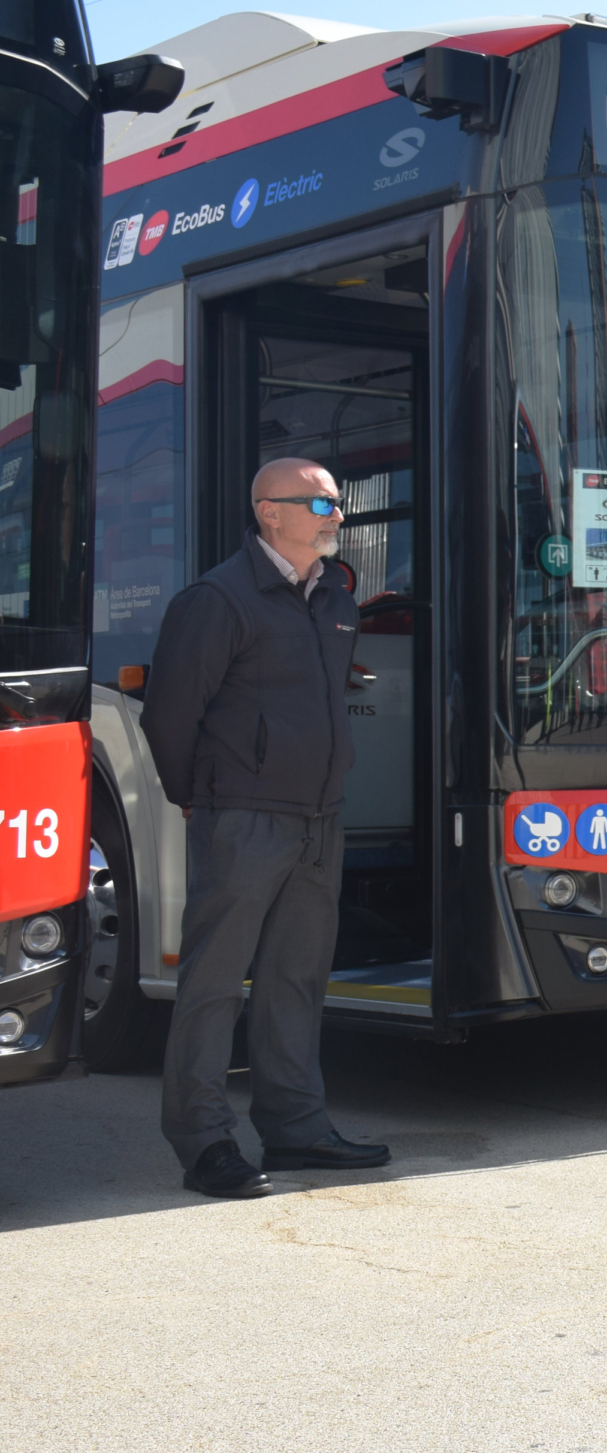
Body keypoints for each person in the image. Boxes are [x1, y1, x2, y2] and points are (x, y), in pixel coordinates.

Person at [141, 458, 391, 1199]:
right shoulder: (219, 599)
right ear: (269, 512)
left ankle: (296, 1126)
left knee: (295, 980)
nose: (334, 515)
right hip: (242, 819)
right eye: (318, 502)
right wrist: (197, 795)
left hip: (319, 819)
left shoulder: (334, 600)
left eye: (338, 503)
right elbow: (169, 713)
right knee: (215, 983)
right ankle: (204, 1140)